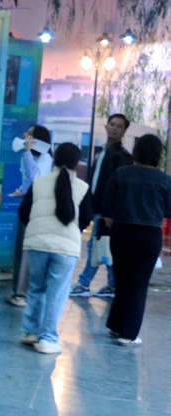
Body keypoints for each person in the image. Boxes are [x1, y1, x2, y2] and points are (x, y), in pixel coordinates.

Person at [16, 142, 90, 354]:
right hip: (66, 248)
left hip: (37, 244)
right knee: (56, 294)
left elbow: (23, 212)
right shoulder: (83, 188)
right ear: (77, 163)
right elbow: (86, 217)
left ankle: (30, 331)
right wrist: (72, 231)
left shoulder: (38, 183)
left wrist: (37, 228)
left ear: (55, 160)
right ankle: (48, 339)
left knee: (36, 288)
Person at [102, 134, 171, 345]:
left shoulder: (121, 174)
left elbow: (106, 204)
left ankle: (116, 325)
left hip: (121, 232)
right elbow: (169, 210)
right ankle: (128, 334)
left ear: (136, 151)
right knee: (138, 284)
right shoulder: (164, 180)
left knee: (122, 279)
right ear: (158, 155)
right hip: (149, 235)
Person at [72, 112, 133, 298]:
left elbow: (120, 187)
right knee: (104, 245)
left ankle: (84, 283)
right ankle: (112, 284)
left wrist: (110, 212)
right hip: (95, 206)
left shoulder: (122, 156)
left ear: (124, 132)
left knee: (96, 245)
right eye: (112, 124)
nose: (114, 128)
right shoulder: (101, 151)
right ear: (106, 126)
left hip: (105, 210)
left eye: (119, 126)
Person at [6, 125, 54, 307]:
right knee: (20, 247)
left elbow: (35, 177)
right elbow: (28, 181)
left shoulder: (45, 158)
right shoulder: (29, 156)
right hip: (26, 203)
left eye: (30, 134)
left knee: (27, 249)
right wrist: (22, 190)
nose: (25, 135)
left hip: (35, 208)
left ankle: (23, 293)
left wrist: (27, 153)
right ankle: (17, 289)